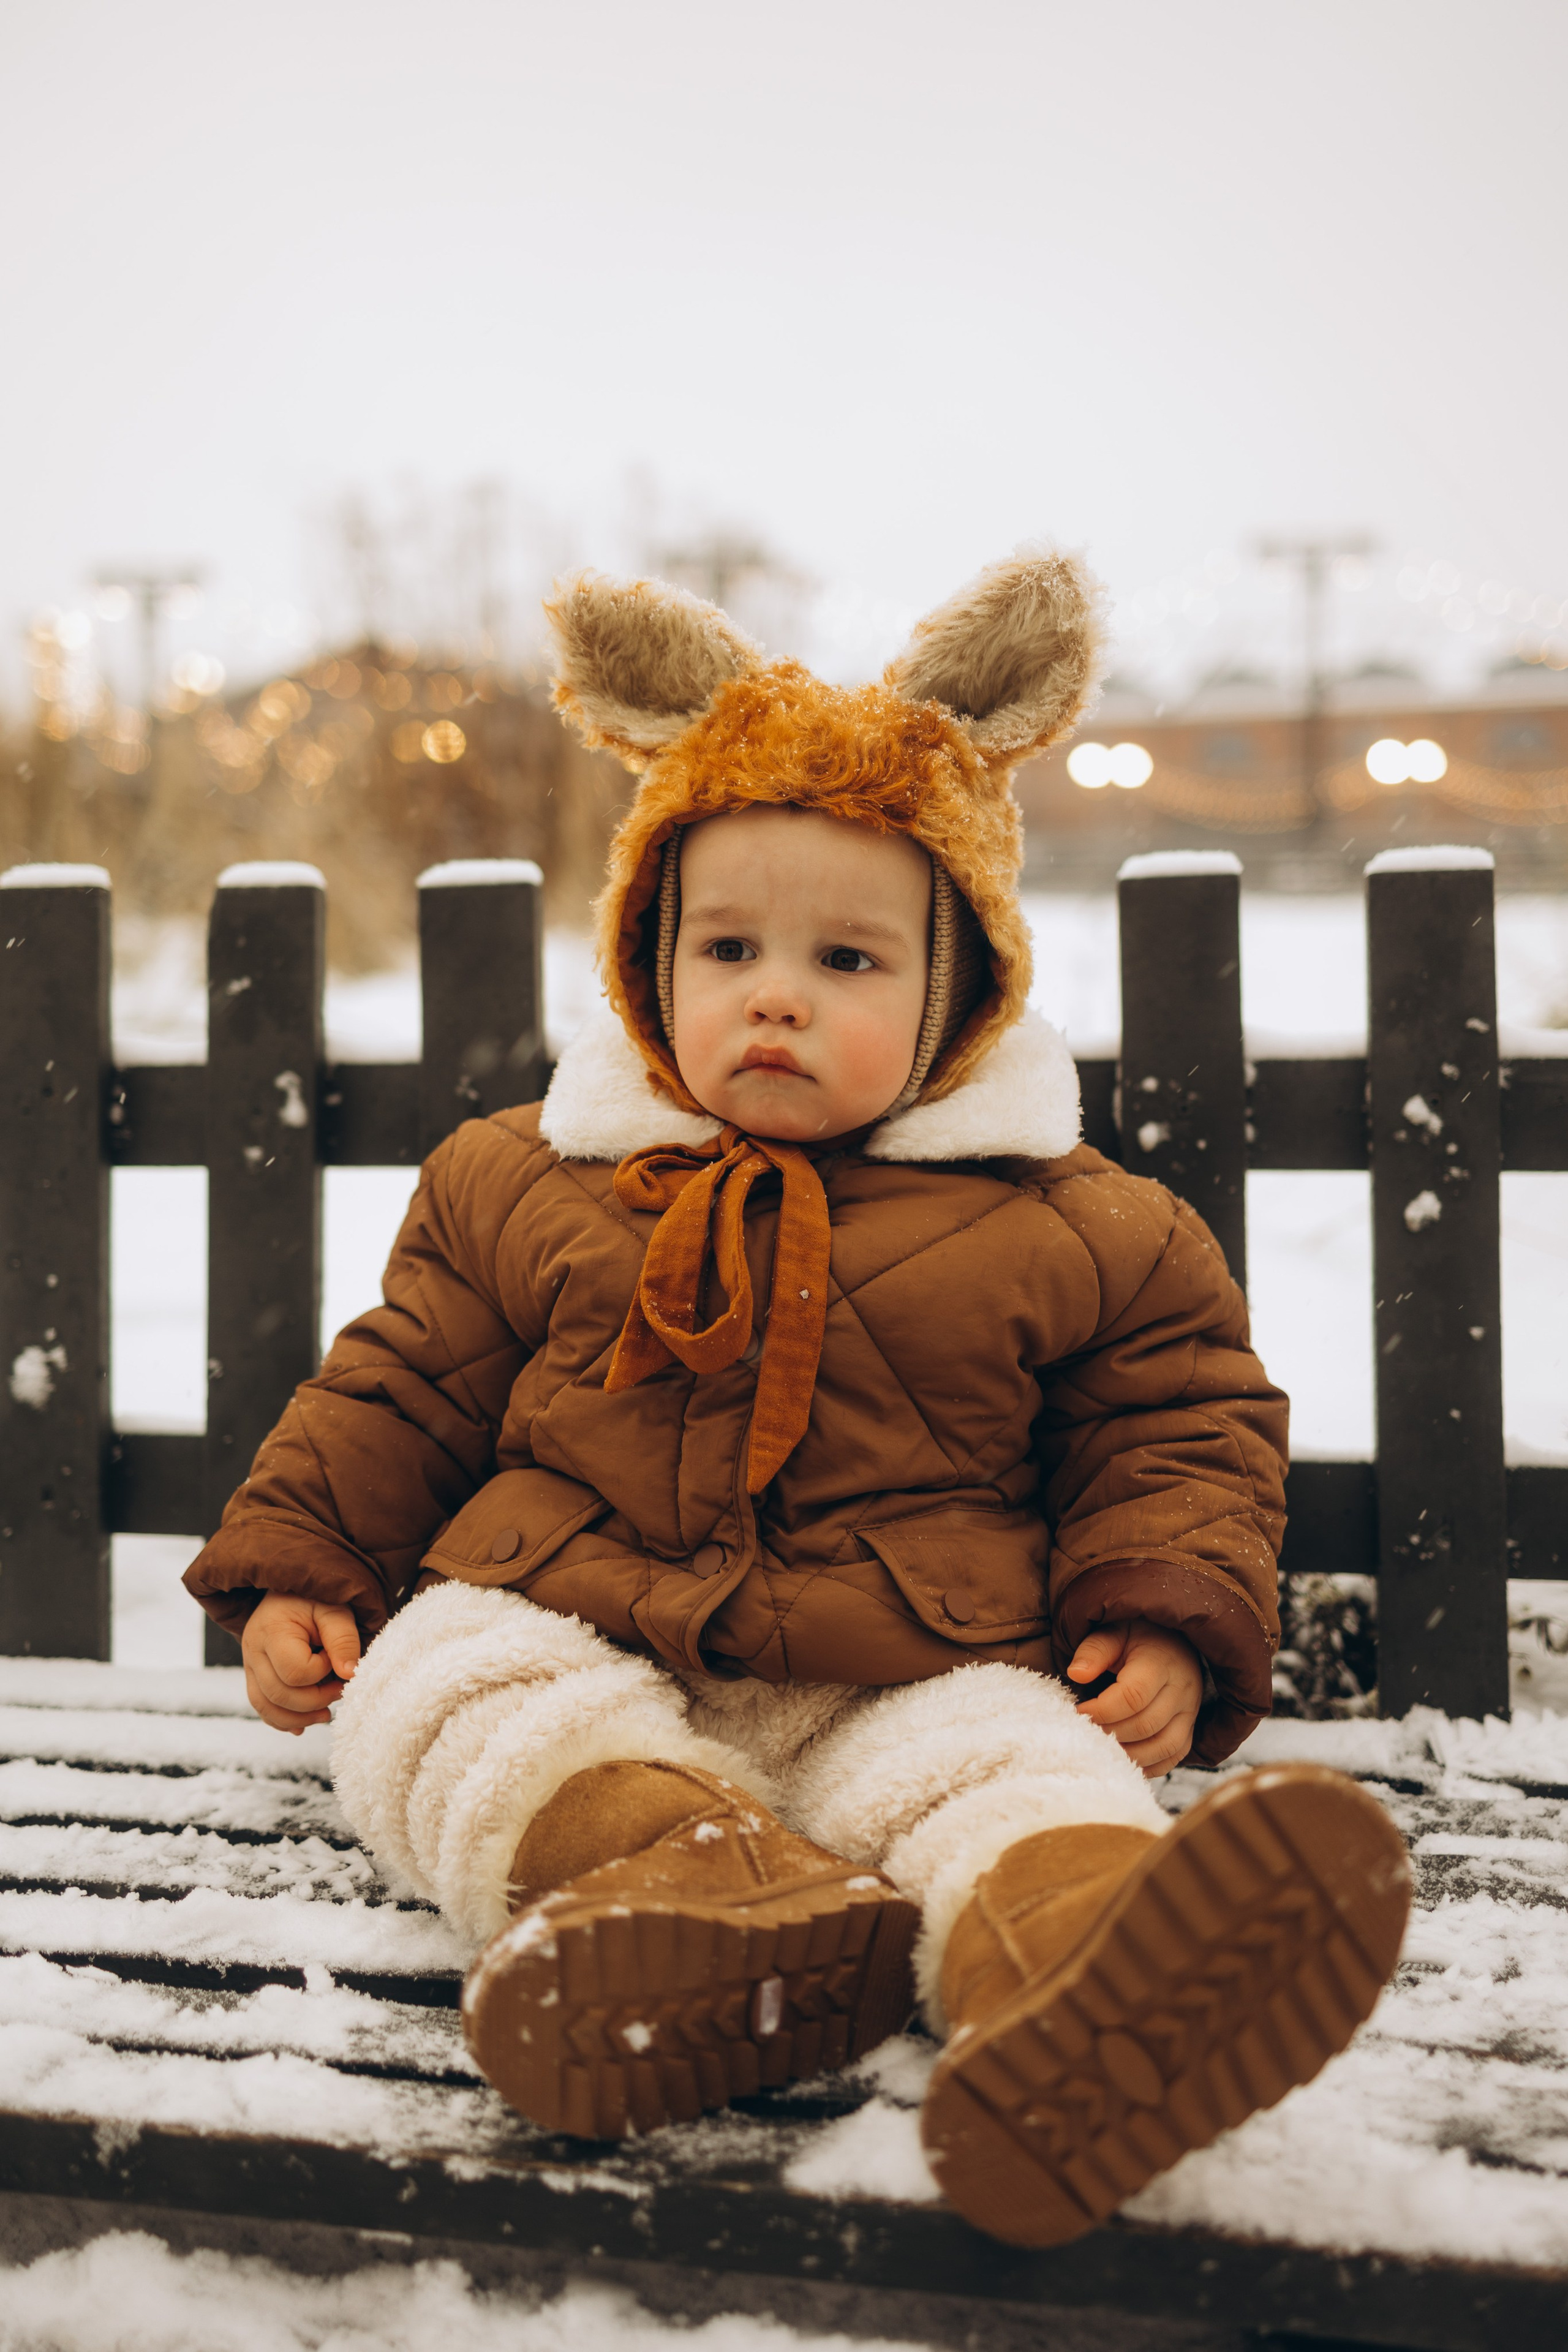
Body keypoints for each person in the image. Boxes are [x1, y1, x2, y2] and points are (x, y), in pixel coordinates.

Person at [184, 551, 1409, 2248]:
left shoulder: (1075, 1223)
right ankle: (669, 1891)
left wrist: (1172, 1618)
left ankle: (1083, 1966)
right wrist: (311, 1567)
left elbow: (1178, 1429)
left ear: (956, 996)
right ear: (649, 962)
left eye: (845, 959)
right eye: (732, 946)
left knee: (1009, 1764)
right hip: (581, 1629)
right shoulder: (522, 1179)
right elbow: (398, 1385)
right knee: (441, 1685)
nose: (776, 993)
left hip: (903, 1660)